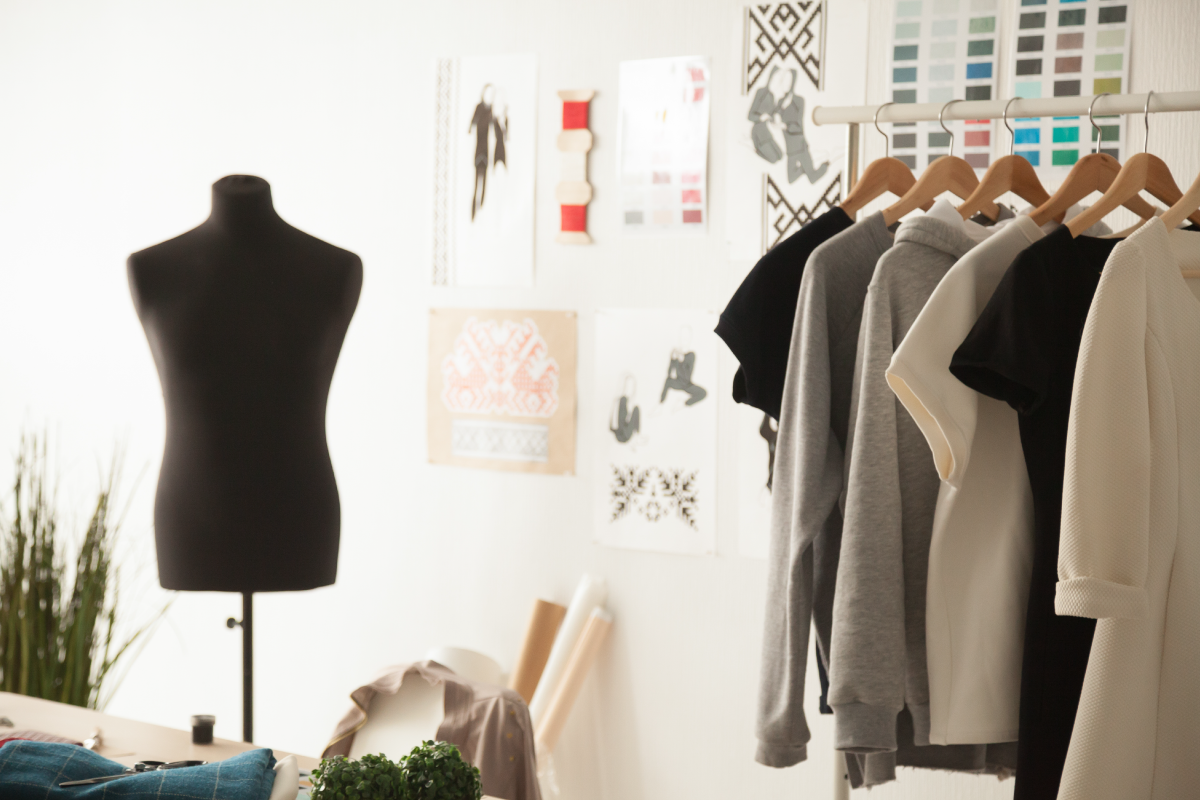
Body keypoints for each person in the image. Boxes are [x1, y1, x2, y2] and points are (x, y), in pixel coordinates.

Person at [468, 84, 493, 220]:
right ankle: (473, 215)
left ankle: (480, 212)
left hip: (487, 153)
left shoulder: (492, 110)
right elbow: (471, 125)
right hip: (479, 152)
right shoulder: (479, 107)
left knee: (484, 185)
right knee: (476, 183)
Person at [610, 376, 641, 444]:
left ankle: (637, 436)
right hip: (623, 435)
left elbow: (612, 427)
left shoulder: (620, 400)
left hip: (621, 435)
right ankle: (637, 436)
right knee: (636, 408)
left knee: (634, 408)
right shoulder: (622, 401)